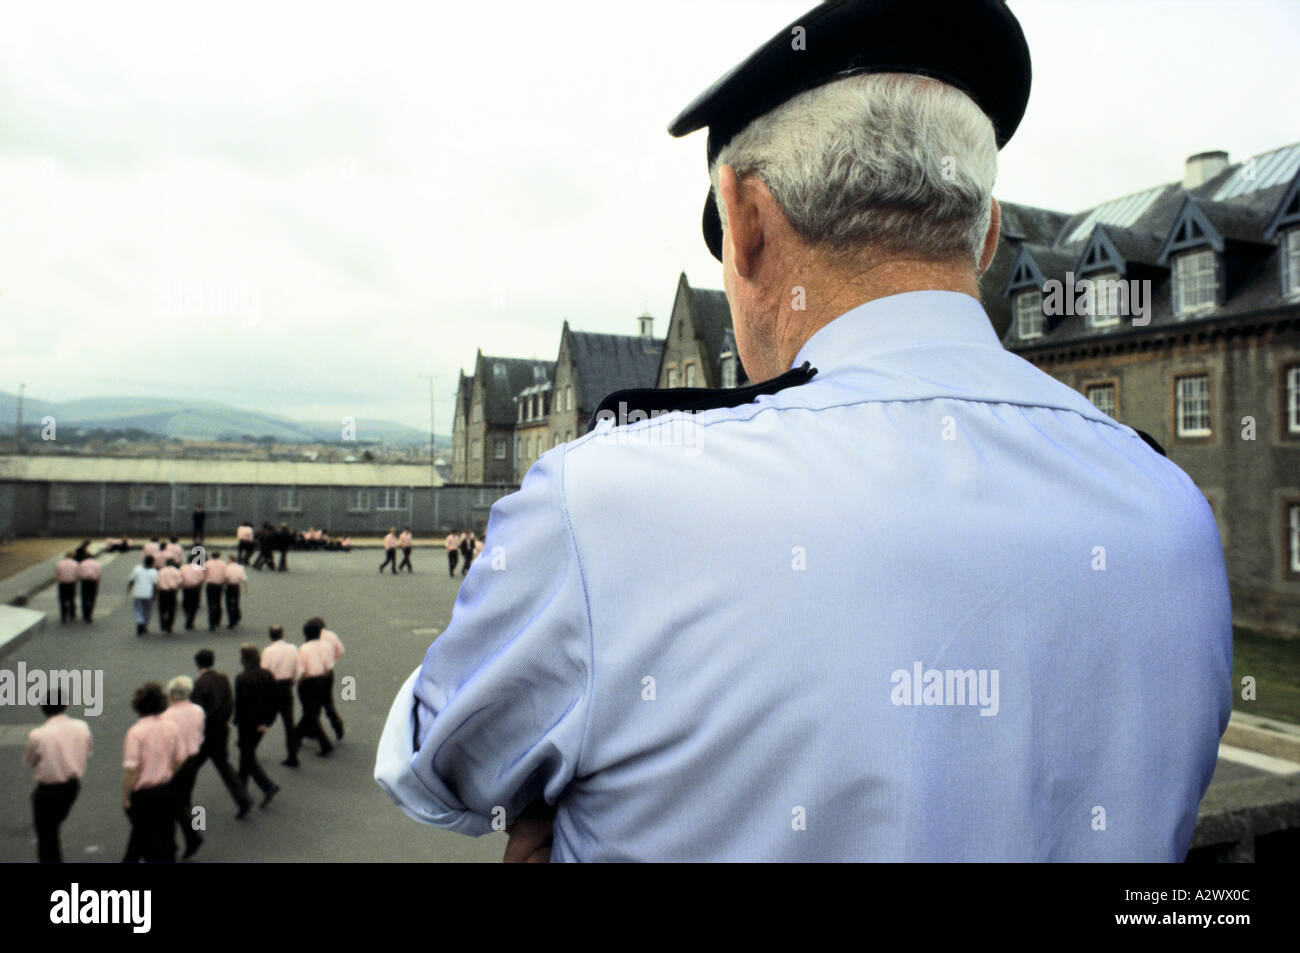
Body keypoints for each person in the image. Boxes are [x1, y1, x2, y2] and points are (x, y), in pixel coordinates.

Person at [376, 0, 1232, 863]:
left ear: (744, 221)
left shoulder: (607, 505)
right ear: (986, 240)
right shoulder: (1171, 512)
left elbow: (435, 765)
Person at [24, 696, 93, 862]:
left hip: (48, 790)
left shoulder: (38, 735)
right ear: (65, 705)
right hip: (72, 786)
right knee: (52, 828)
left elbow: (29, 761)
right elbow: (88, 751)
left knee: (46, 835)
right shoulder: (81, 727)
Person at [122, 682, 185, 863]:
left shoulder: (136, 733)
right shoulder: (171, 727)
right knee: (166, 834)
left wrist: (126, 795)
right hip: (166, 789)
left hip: (143, 794)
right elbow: (180, 758)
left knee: (142, 835)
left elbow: (132, 769)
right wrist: (168, 772)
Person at [190, 649, 254, 818]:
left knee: (191, 767)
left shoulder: (199, 684)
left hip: (205, 732)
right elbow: (230, 702)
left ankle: (185, 802)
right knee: (223, 765)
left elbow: (196, 712)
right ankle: (243, 798)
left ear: (198, 664)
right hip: (221, 729)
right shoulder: (223, 678)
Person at [161, 676, 206, 859]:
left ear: (172, 695)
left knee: (170, 803)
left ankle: (187, 838)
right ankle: (194, 830)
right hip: (192, 759)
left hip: (175, 763)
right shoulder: (198, 710)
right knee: (185, 798)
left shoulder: (167, 716)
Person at [234, 644, 281, 807]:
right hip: (262, 723)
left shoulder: (242, 678)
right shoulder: (267, 674)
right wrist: (267, 722)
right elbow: (275, 700)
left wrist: (236, 721)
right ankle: (244, 788)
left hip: (247, 724)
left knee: (246, 754)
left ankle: (264, 787)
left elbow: (241, 705)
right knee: (246, 753)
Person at [293, 620, 334, 757]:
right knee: (312, 711)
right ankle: (298, 735)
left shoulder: (304, 649)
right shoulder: (327, 646)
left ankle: (324, 743)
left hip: (309, 683)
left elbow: (301, 671)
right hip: (324, 679)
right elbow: (329, 665)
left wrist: (297, 682)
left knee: (310, 712)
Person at [261, 625, 300, 767]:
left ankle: (249, 744)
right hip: (287, 686)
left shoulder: (268, 651)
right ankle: (292, 755)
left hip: (273, 687)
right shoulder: (293, 649)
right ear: (282, 634)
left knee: (266, 717)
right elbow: (299, 669)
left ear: (270, 636)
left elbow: (264, 673)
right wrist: (292, 682)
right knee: (289, 722)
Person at [316, 619, 345, 742]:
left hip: (315, 675)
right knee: (328, 702)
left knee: (313, 704)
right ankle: (337, 725)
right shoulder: (331, 636)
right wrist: (333, 660)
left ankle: (313, 729)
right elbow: (340, 650)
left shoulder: (313, 639)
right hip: (328, 673)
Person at [127, 555, 158, 636]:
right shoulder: (153, 571)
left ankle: (140, 621)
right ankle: (145, 625)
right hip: (148, 594)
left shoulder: (137, 568)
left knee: (138, 609)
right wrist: (155, 595)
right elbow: (155, 585)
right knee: (147, 610)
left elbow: (132, 580)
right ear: (152, 563)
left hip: (137, 593)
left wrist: (129, 589)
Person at [155, 558, 182, 634]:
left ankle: (163, 623)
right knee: (172, 609)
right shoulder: (176, 571)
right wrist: (176, 589)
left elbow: (157, 582)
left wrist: (156, 593)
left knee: (162, 609)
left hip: (162, 592)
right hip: (171, 592)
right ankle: (169, 625)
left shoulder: (161, 571)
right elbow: (180, 582)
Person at [179, 556, 205, 631]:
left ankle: (187, 615)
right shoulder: (198, 568)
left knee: (186, 604)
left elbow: (180, 578)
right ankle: (191, 619)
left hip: (186, 588)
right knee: (194, 605)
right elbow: (201, 579)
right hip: (195, 588)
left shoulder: (183, 568)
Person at [204, 550, 227, 631]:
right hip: (219, 585)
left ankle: (211, 623)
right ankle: (217, 621)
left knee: (210, 604)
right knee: (218, 602)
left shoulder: (207, 563)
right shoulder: (223, 564)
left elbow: (204, 573)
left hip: (210, 585)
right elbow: (225, 574)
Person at [53, 552, 78, 624]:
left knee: (62, 600)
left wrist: (58, 579)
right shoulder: (75, 564)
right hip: (71, 584)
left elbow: (56, 575)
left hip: (62, 584)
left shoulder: (59, 564)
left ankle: (63, 616)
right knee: (71, 599)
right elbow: (78, 574)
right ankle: (72, 614)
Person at [76, 553, 101, 623]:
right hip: (93, 582)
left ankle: (85, 613)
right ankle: (90, 614)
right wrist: (97, 583)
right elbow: (98, 574)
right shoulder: (96, 564)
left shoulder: (82, 563)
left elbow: (79, 573)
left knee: (84, 598)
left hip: (84, 582)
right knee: (92, 598)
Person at [224, 558, 248, 629]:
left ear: (231, 560)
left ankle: (231, 621)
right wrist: (246, 588)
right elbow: (244, 578)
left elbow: (225, 578)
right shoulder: (240, 567)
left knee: (229, 604)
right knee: (236, 603)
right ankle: (237, 617)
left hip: (229, 587)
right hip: (236, 587)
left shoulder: (226, 568)